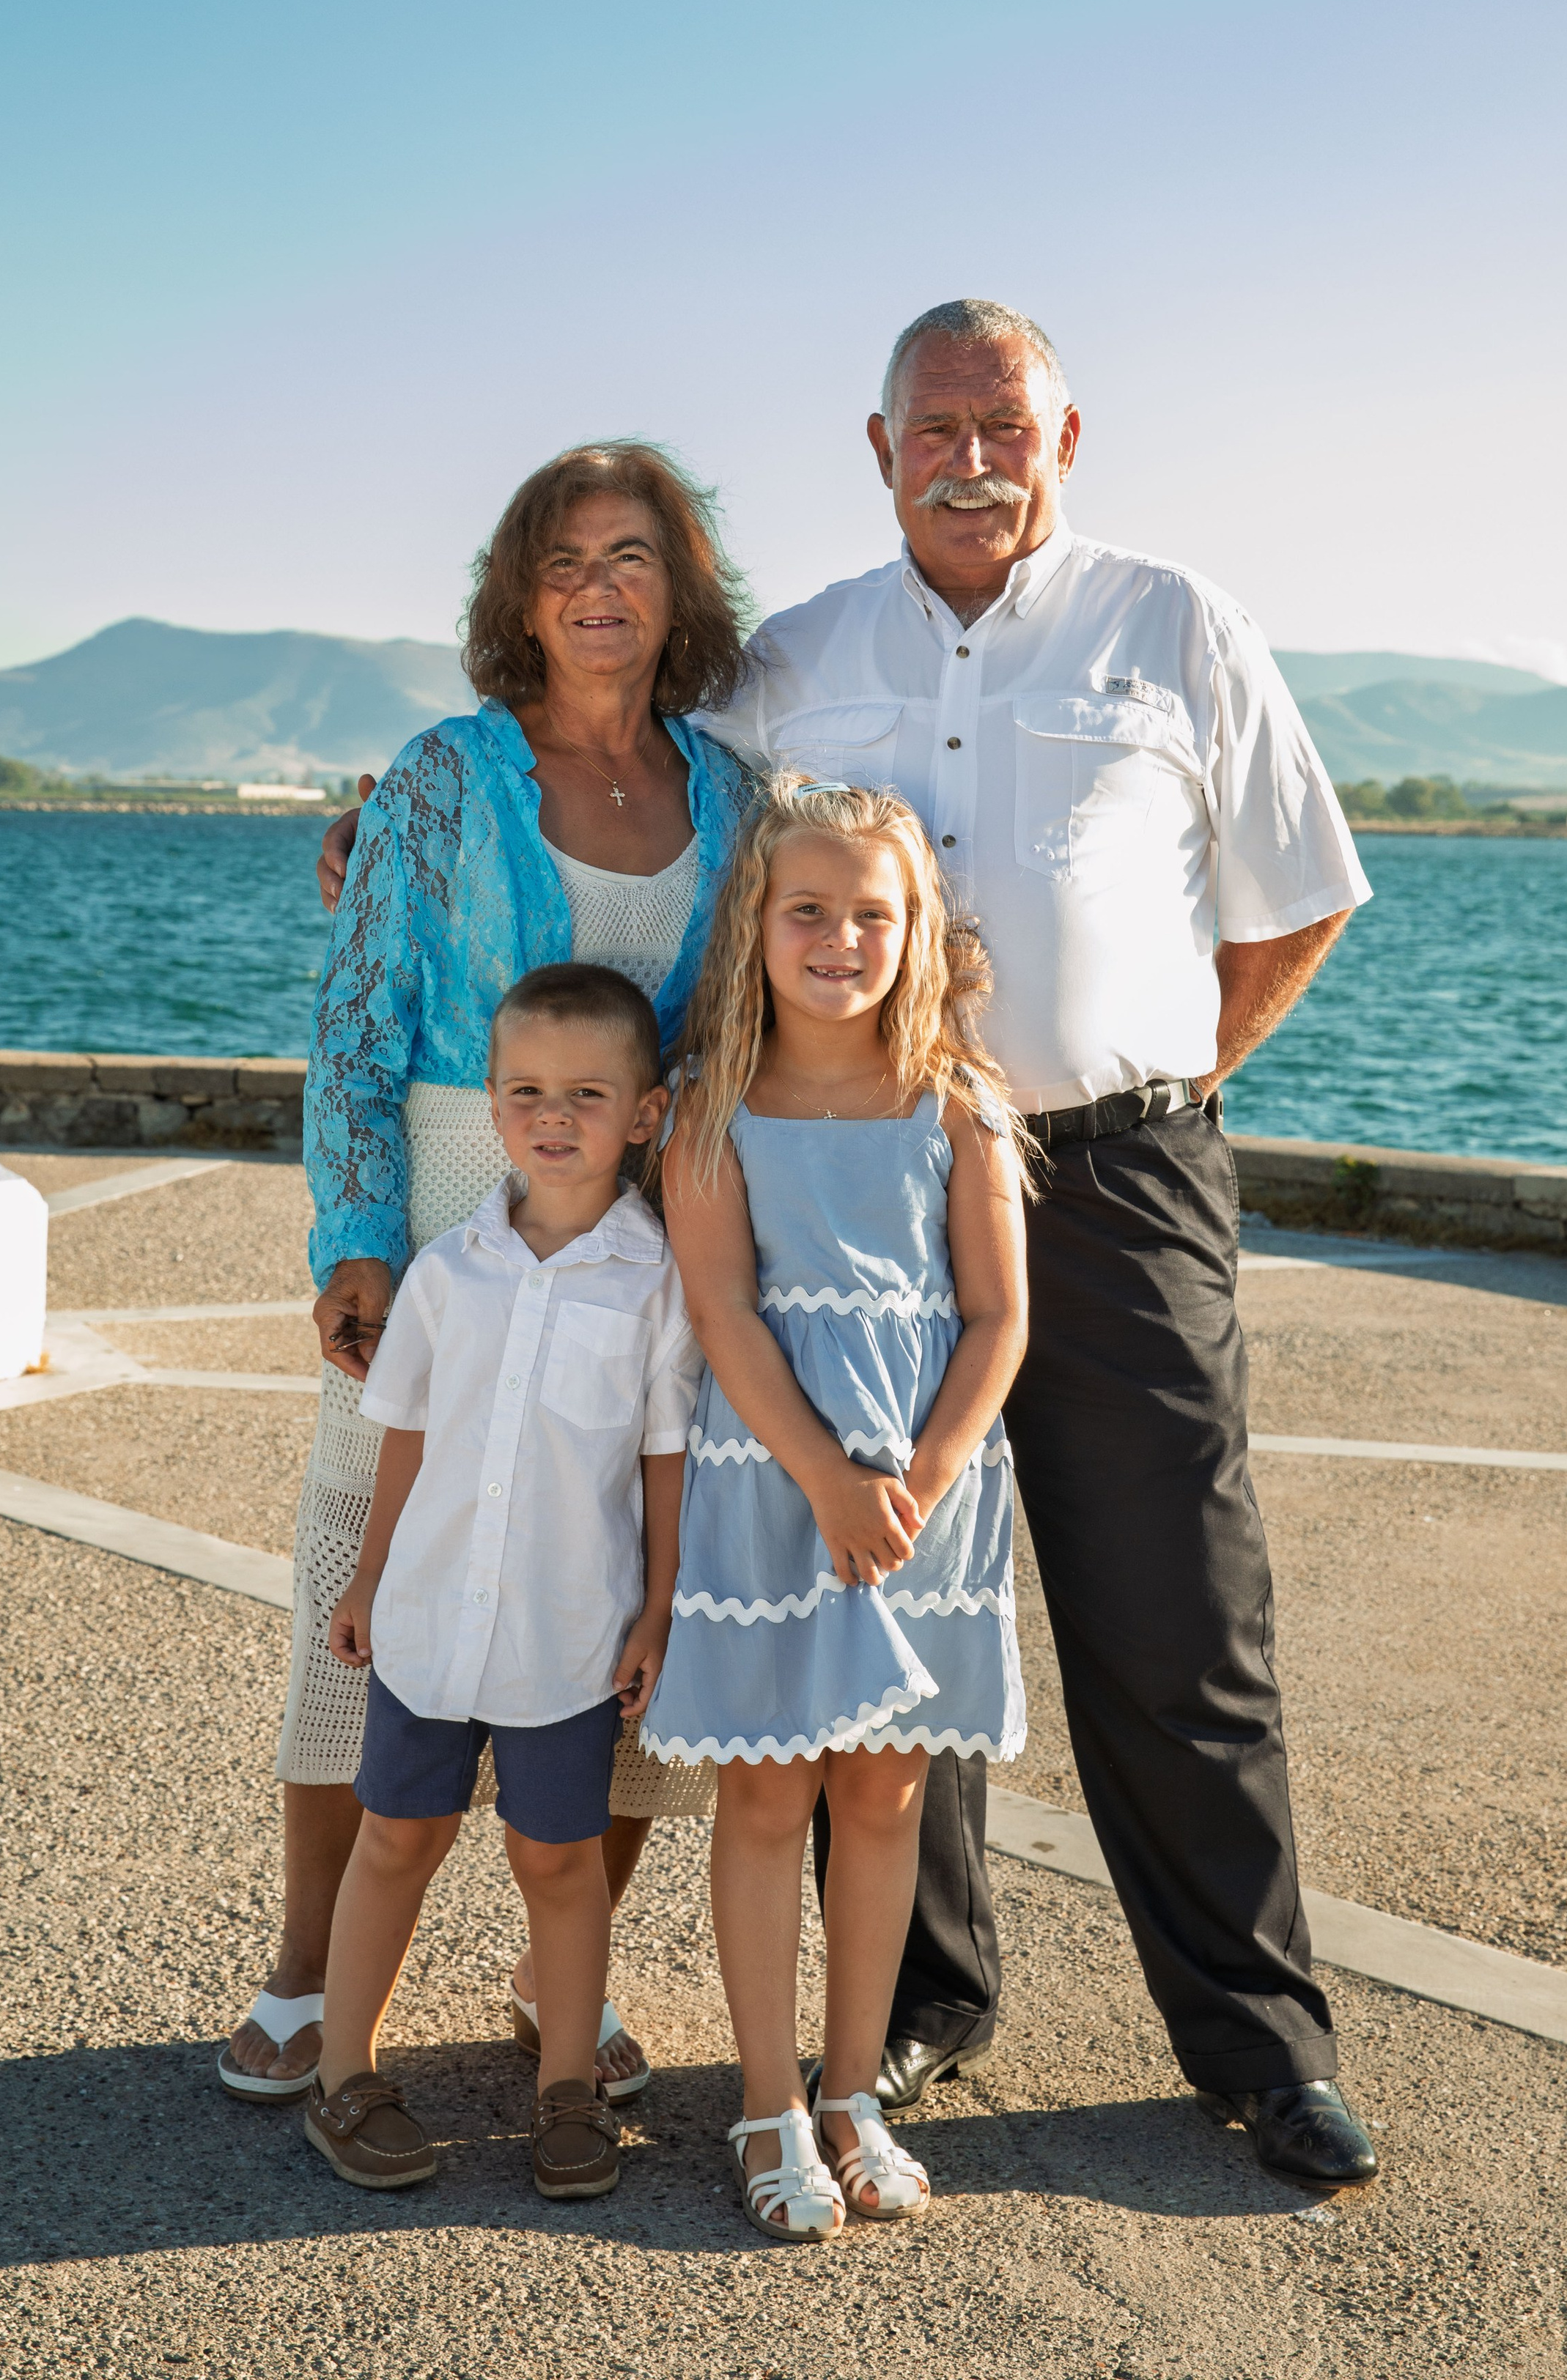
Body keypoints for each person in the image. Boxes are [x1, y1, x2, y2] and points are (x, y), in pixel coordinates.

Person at [692, 300, 1380, 2187]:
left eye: (1003, 422)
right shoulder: (795, 655)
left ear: (1064, 438)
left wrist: (1167, 1078)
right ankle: (914, 2008)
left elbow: (1296, 897)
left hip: (1117, 1177)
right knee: (887, 1587)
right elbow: (649, 820)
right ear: (878, 447)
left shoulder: (1177, 623)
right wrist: (395, 820)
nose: (969, 456)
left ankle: (1259, 2044)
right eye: (933, 425)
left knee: (1179, 1617)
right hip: (863, 1188)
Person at [218, 441, 751, 2107]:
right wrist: (357, 1238)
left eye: (632, 556)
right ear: (519, 596)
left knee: (614, 1582)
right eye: (565, 560)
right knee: (365, 1577)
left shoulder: (736, 794)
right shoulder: (443, 777)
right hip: (455, 1201)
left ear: (680, 590)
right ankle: (310, 1970)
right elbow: (357, 1022)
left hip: (650, 1238)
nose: (598, 588)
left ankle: (556, 1970)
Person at [642, 774, 1030, 2240]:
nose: (839, 940)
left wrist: (910, 1490)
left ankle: (853, 2092)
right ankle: (765, 2102)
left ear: (916, 930)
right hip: (771, 1484)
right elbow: (722, 1313)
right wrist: (823, 1476)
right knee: (767, 1792)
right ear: (754, 921)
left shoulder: (956, 1101)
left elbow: (996, 1319)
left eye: (873, 914)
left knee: (882, 1793)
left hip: (926, 1500)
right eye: (806, 910)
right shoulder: (710, 1104)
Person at [302, 964, 699, 2200]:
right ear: (490, 1106)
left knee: (560, 1863)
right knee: (396, 1838)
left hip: (567, 1636)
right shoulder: (448, 1269)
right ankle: (343, 2075)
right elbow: (406, 1433)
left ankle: (567, 2090)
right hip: (428, 1620)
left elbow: (666, 1461)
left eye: (587, 1093)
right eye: (526, 1091)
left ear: (646, 1114)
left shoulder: (658, 1283)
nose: (553, 1116)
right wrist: (367, 1579)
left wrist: (659, 1611)